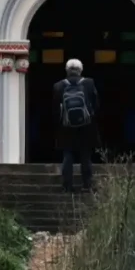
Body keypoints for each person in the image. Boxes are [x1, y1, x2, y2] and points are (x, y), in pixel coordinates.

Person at [54, 58, 99, 193]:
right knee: (85, 155)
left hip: (66, 126)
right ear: (81, 70)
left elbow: (55, 109)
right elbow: (96, 104)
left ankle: (67, 186)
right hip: (86, 125)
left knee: (68, 155)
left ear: (67, 70)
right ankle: (87, 185)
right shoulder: (89, 83)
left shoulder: (58, 86)